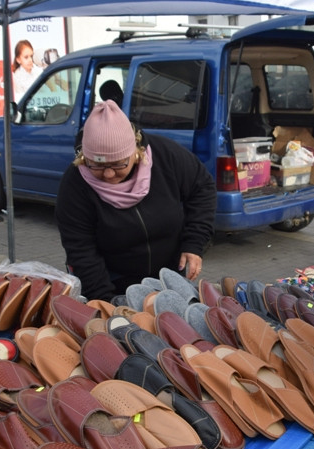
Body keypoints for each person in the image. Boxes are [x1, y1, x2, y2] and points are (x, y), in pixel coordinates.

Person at [55, 100, 216, 302]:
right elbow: (81, 250)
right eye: (95, 165)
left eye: (118, 164)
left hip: (170, 275)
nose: (109, 173)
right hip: (112, 280)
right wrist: (107, 304)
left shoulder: (166, 155)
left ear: (135, 153)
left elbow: (202, 188)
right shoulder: (75, 184)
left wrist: (194, 243)